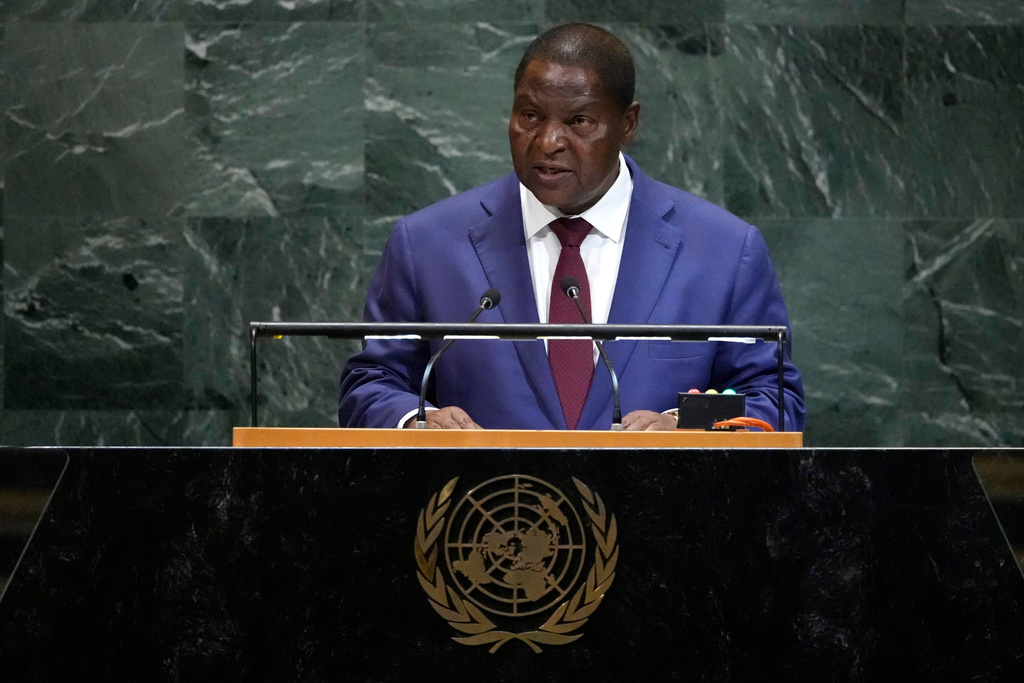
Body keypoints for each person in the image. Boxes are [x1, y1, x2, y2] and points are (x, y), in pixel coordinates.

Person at [339, 23, 805, 431]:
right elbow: (371, 384)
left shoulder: (723, 250)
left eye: (578, 121)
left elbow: (773, 399)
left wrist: (685, 424)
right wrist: (415, 419)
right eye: (530, 117)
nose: (547, 142)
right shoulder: (427, 245)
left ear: (628, 123)